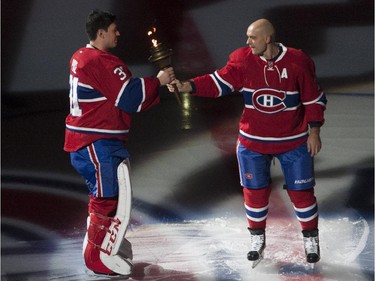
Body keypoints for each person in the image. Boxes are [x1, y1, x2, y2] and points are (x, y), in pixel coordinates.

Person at [168, 18, 327, 266]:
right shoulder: (243, 59)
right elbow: (218, 82)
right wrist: (187, 86)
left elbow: (313, 98)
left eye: (252, 37)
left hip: (293, 141)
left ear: (267, 38)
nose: (247, 42)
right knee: (254, 194)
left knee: (302, 194)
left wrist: (314, 131)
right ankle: (257, 238)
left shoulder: (298, 61)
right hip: (253, 142)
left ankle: (310, 238)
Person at [64, 9, 175, 277]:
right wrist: (158, 81)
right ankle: (95, 256)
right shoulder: (101, 61)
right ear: (101, 33)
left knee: (105, 198)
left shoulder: (81, 56)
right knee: (106, 200)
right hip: (95, 143)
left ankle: (102, 244)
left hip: (89, 141)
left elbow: (117, 93)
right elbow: (129, 97)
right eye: (114, 29)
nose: (118, 33)